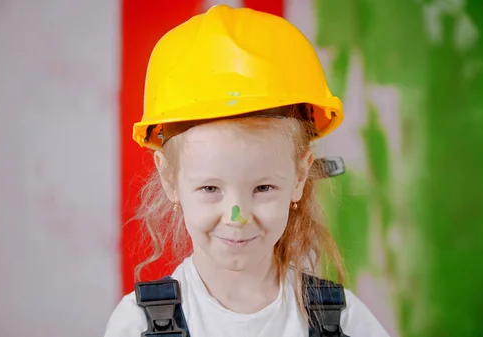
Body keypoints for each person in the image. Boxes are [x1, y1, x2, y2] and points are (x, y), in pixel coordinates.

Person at [104, 4, 390, 337]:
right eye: (211, 189)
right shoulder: (136, 325)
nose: (237, 217)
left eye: (263, 188)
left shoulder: (344, 321)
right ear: (170, 178)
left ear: (299, 177)